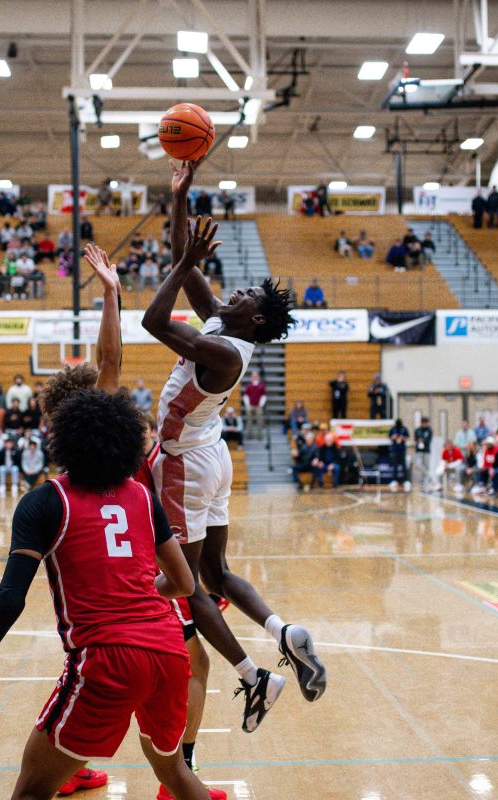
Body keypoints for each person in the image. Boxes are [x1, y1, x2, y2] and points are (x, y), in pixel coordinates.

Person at [0, 389, 217, 800]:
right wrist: (143, 590)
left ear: (64, 439)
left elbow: (9, 599)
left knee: (32, 792)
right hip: (168, 652)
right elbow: (184, 584)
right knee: (174, 770)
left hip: (106, 658)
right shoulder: (141, 495)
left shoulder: (45, 502)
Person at [143, 160, 325, 731]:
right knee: (219, 573)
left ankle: (255, 678)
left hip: (185, 466)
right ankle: (283, 633)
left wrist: (183, 264)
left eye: (249, 294)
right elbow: (182, 252)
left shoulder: (226, 352)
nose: (237, 290)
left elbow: (153, 320)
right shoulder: (224, 323)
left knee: (187, 583)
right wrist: (180, 195)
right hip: (211, 455)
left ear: (259, 318)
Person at [241, 371, 266, 437]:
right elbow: (245, 395)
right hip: (250, 406)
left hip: (258, 406)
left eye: (256, 376)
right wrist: (247, 404)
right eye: (253, 376)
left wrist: (261, 404)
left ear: (258, 377)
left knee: (260, 421)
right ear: (251, 377)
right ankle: (250, 434)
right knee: (249, 420)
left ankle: (259, 434)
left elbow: (264, 395)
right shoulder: (249, 385)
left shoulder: (261, 385)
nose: (254, 377)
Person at [388, 418, 409, 490]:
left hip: (402, 450)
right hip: (395, 450)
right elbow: (390, 437)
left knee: (404, 465)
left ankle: (406, 481)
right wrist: (393, 437)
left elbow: (407, 437)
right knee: (395, 466)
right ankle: (394, 480)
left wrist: (402, 438)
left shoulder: (404, 429)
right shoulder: (393, 429)